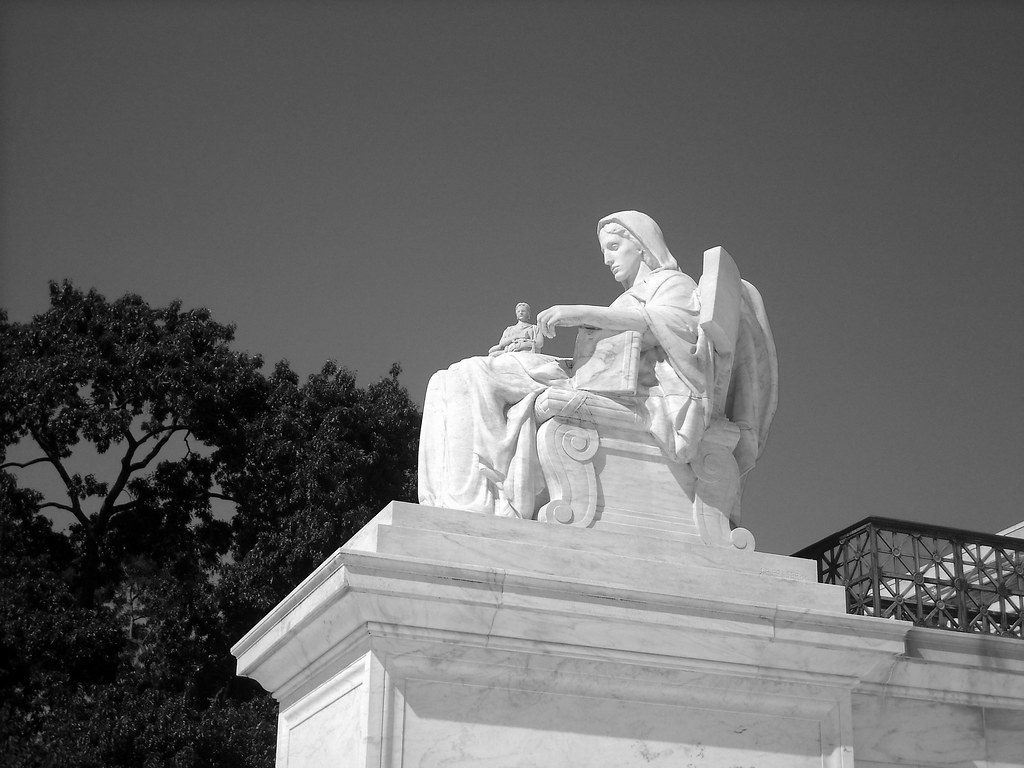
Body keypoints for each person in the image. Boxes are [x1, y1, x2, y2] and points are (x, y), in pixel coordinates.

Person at [418, 211, 711, 518]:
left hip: (621, 390)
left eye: (613, 247)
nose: (607, 260)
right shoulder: (629, 297)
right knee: (445, 378)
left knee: (472, 374)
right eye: (604, 252)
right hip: (585, 376)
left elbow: (665, 327)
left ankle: (472, 503)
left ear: (641, 245)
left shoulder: (673, 283)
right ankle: (444, 500)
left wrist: (580, 313)